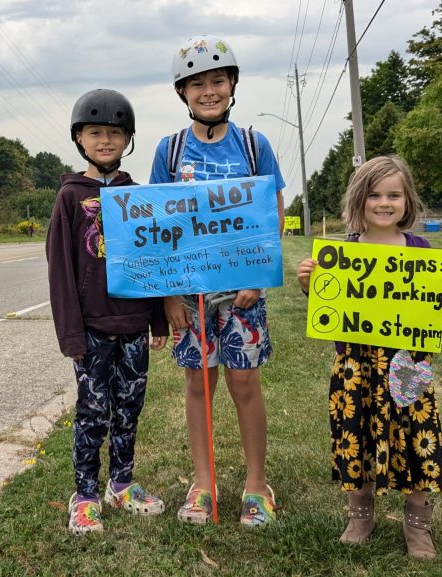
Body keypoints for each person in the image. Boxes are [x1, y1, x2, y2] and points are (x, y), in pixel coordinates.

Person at [296, 155, 442, 559]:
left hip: (408, 365)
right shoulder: (343, 253)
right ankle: (360, 514)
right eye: (374, 195)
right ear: (360, 200)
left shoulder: (421, 251)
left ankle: (418, 525)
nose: (384, 203)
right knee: (356, 438)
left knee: (415, 440)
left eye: (394, 194)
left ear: (407, 201)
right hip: (355, 367)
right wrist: (310, 286)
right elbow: (330, 308)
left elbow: (430, 311)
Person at [149, 34, 286, 527]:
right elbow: (154, 226)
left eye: (217, 80)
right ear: (182, 93)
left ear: (232, 85)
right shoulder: (169, 151)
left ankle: (256, 484)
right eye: (197, 84)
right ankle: (202, 482)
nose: (208, 91)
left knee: (245, 382)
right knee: (198, 384)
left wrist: (259, 274)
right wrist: (167, 293)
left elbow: (272, 210)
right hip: (190, 293)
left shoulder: (254, 144)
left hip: (243, 291)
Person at [47, 88, 170, 535]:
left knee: (129, 409)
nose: (105, 141)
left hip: (134, 325)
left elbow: (155, 263)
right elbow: (60, 269)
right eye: (95, 133)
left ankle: (121, 484)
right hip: (92, 328)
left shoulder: (138, 197)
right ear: (80, 139)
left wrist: (157, 319)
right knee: (92, 412)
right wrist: (71, 335)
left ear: (127, 139)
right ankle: (85, 493)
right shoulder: (69, 197)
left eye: (114, 133)